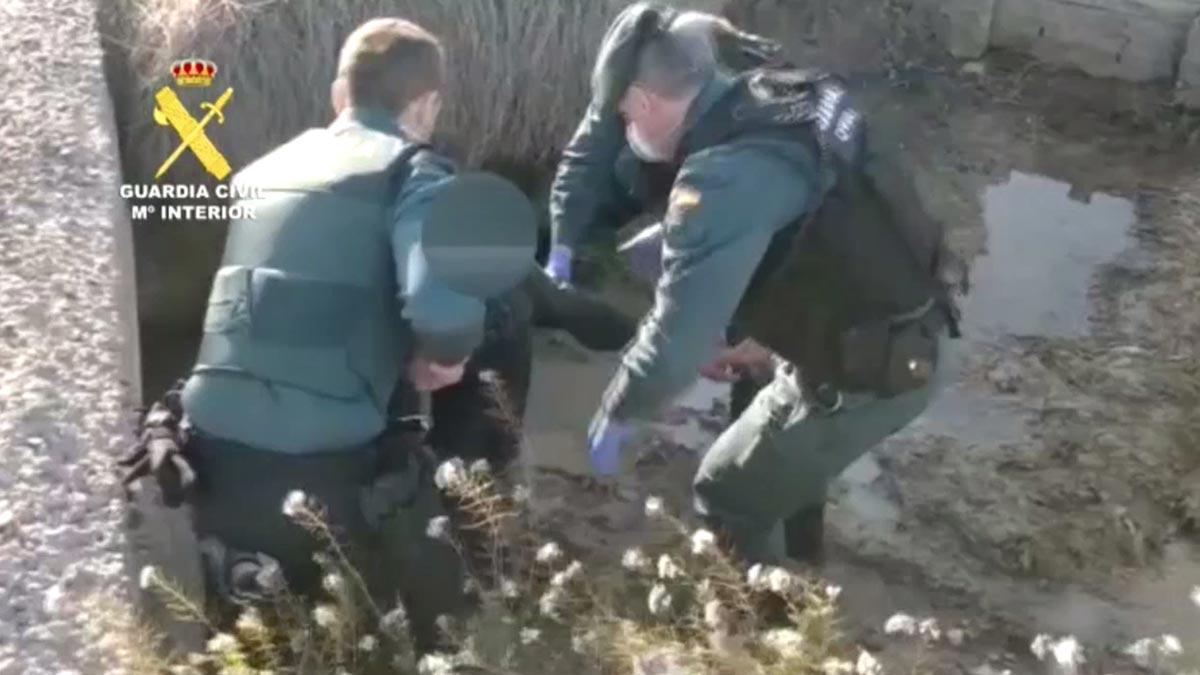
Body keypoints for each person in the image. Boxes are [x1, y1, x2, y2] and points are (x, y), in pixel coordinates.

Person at [119, 17, 537, 649]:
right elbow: (443, 311)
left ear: (340, 94)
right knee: (443, 625)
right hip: (322, 485)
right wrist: (442, 359)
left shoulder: (259, 174)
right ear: (426, 105)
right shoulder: (414, 173)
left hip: (205, 469)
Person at [547, 4, 960, 564]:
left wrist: (617, 413)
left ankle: (768, 635)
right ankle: (802, 567)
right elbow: (825, 230)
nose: (625, 128)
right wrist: (754, 333)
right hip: (901, 316)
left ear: (643, 101)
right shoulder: (776, 93)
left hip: (872, 369)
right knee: (781, 470)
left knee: (727, 494)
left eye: (625, 115)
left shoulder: (720, 181)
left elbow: (673, 350)